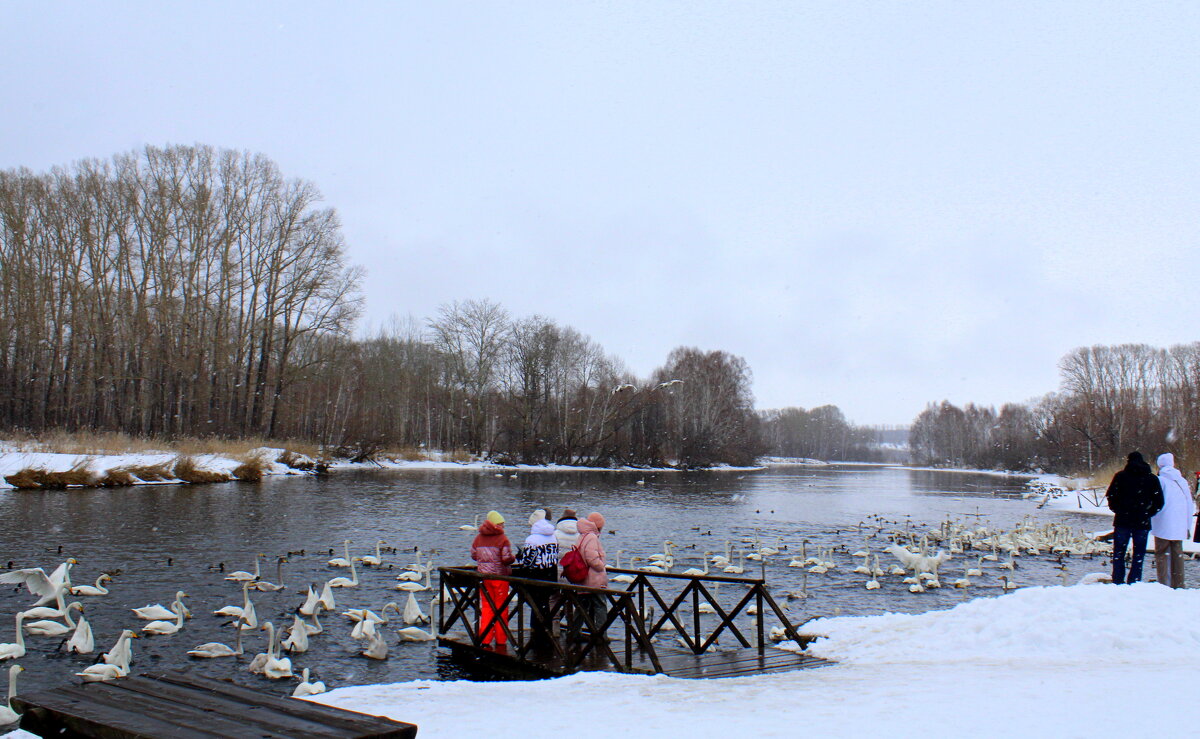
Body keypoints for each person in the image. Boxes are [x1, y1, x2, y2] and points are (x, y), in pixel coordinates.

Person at [1106, 452, 1164, 584]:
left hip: (1122, 520)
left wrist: (1118, 510)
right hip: (1142, 521)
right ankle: (1134, 581)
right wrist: (1148, 513)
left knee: (1119, 553)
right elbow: (1159, 502)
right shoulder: (1151, 479)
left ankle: (1117, 580)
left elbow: (1110, 496)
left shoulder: (1120, 476)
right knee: (1139, 554)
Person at [513, 509, 560, 645]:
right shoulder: (553, 536)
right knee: (545, 603)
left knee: (535, 603)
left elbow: (529, 561)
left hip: (537, 575)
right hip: (551, 574)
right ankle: (546, 632)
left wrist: (521, 556)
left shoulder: (532, 540)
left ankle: (537, 633)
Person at [471, 510, 514, 645]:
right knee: (501, 609)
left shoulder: (478, 538)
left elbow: (473, 555)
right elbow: (506, 558)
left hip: (484, 577)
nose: (503, 526)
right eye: (502, 524)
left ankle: (485, 638)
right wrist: (513, 558)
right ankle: (501, 640)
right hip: (500, 577)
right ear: (497, 524)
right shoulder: (502, 539)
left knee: (487, 608)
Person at [1152, 453, 1195, 588]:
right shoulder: (1182, 481)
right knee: (1177, 554)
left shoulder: (1160, 480)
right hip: (1179, 524)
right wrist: (1187, 526)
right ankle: (1179, 584)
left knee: (1161, 554)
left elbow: (1156, 502)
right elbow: (1189, 504)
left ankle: (1164, 584)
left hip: (1163, 523)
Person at [575, 512, 608, 637]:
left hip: (583, 578)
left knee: (582, 607)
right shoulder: (592, 537)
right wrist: (601, 566)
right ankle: (601, 635)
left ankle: (573, 633)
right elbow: (591, 558)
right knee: (600, 606)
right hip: (594, 579)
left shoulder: (582, 535)